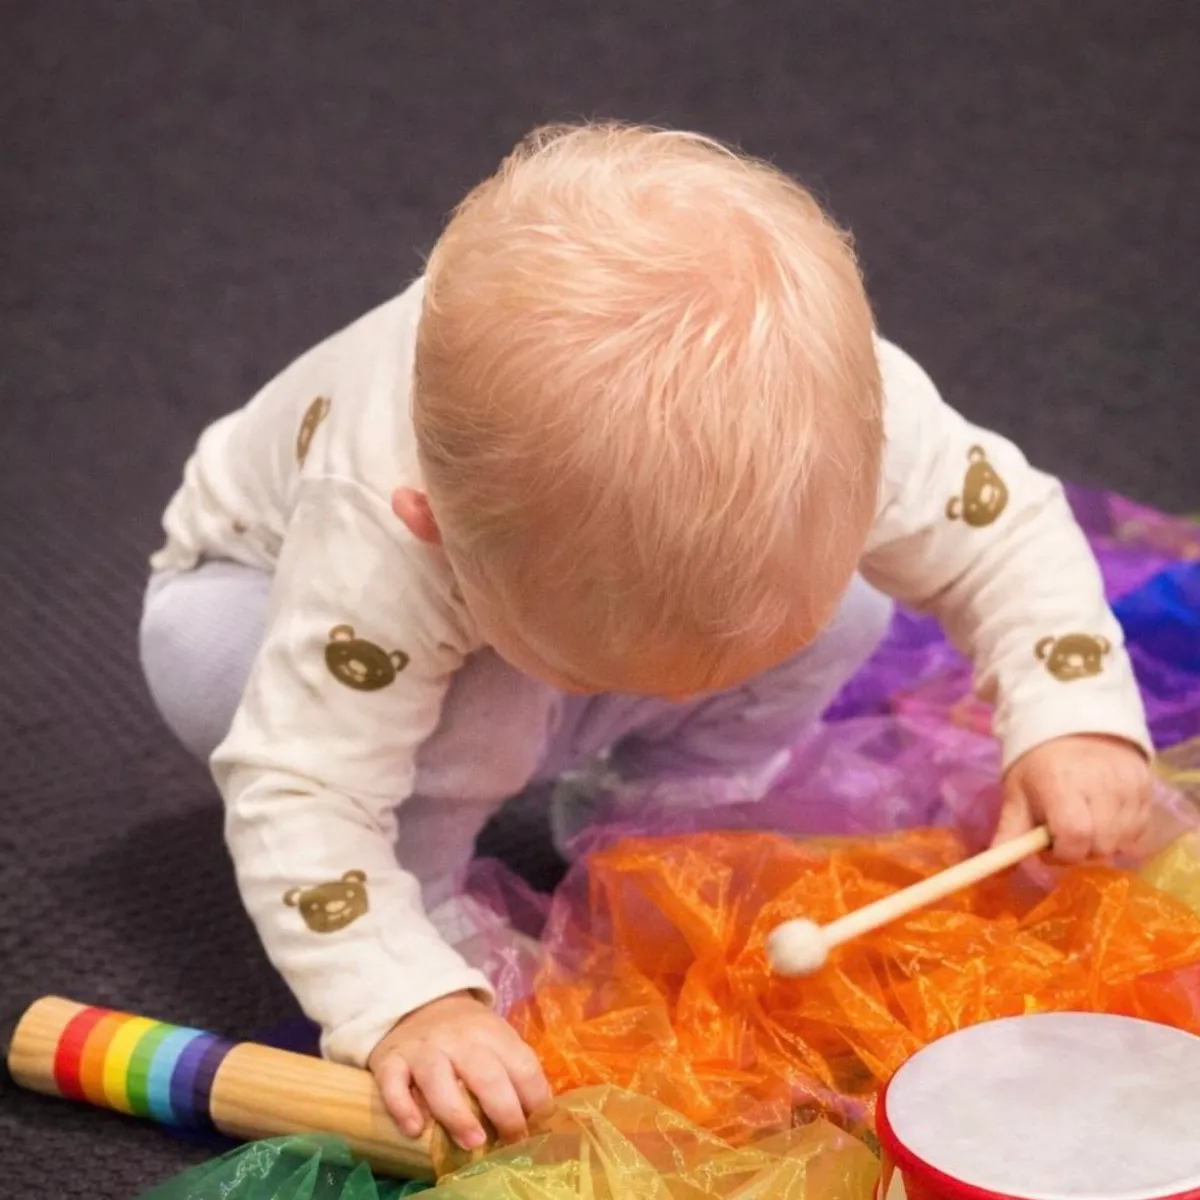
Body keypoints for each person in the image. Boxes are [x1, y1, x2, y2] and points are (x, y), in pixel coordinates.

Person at [140, 122, 1152, 1153]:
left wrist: (1073, 719)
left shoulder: (859, 422)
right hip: (266, 619)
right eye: (624, 673)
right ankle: (430, 896)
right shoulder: (379, 533)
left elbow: (1009, 534)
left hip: (523, 623)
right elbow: (301, 788)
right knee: (448, 721)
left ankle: (666, 811)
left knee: (850, 605)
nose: (675, 691)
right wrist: (403, 1001)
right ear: (435, 527)